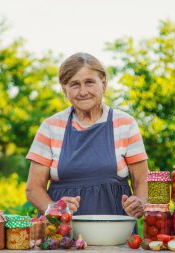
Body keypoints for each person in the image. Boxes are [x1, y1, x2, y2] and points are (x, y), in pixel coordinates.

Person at [25, 52, 148, 218]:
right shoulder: (50, 127)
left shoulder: (125, 124)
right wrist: (55, 209)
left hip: (115, 231)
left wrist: (139, 202)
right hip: (61, 234)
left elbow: (141, 180)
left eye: (89, 82)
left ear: (103, 84)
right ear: (64, 90)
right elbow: (33, 188)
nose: (83, 91)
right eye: (74, 85)